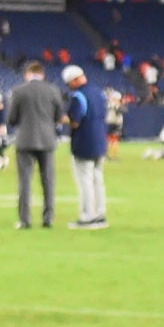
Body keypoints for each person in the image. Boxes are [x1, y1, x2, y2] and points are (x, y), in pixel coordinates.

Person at [5, 61, 62, 230]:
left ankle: (24, 219)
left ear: (27, 74)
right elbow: (59, 115)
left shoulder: (19, 91)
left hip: (25, 140)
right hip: (47, 140)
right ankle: (48, 218)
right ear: (42, 74)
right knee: (48, 181)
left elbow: (11, 118)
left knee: (24, 181)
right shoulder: (53, 90)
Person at [61, 66, 109, 230]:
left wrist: (62, 119)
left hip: (84, 141)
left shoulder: (78, 95)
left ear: (74, 80)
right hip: (100, 140)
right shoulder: (98, 92)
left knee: (85, 181)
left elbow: (75, 120)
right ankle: (100, 214)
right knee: (98, 180)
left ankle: (88, 215)